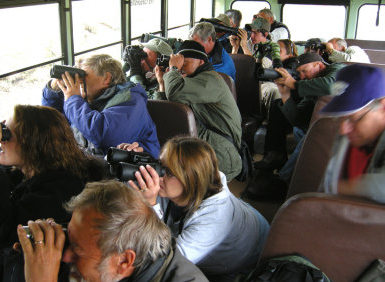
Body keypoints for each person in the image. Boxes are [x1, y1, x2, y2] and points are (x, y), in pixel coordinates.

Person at [17, 180, 219, 282]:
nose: (66, 257)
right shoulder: (139, 258)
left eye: (77, 251)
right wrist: (46, 254)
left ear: (124, 261)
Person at [0, 105, 107, 282]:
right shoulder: (27, 175)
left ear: (33, 144)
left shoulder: (63, 191)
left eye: (6, 135)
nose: (0, 142)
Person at [127, 136, 270, 282]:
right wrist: (129, 162)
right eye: (159, 165)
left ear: (190, 179)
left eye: (168, 172)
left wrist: (151, 206)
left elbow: (166, 263)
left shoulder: (214, 220)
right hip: (214, 251)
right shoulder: (186, 184)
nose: (158, 174)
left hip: (240, 267)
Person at [244, 53, 345, 199]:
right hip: (320, 125)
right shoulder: (312, 85)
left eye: (304, 71)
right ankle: (277, 158)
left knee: (309, 138)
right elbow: (298, 119)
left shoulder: (338, 68)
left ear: (319, 65)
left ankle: (283, 181)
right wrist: (285, 95)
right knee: (296, 125)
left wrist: (295, 84)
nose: (302, 76)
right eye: (299, 74)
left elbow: (331, 86)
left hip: (343, 123)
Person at [41, 53, 160, 158]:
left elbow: (103, 134)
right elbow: (51, 118)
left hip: (134, 173)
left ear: (106, 78)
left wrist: (72, 99)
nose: (79, 81)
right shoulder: (88, 101)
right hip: (95, 167)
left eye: (82, 75)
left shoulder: (131, 101)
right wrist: (54, 88)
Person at [155, 40, 242, 181]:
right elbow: (168, 110)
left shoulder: (211, 80)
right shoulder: (194, 80)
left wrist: (173, 69)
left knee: (183, 123)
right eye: (179, 63)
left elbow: (175, 93)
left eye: (185, 63)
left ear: (200, 62)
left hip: (224, 154)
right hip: (213, 145)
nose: (181, 67)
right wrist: (161, 84)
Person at [320, 64, 385, 202]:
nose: (343, 130)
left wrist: (345, 188)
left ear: (383, 108)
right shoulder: (347, 139)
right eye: (340, 119)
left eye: (354, 119)